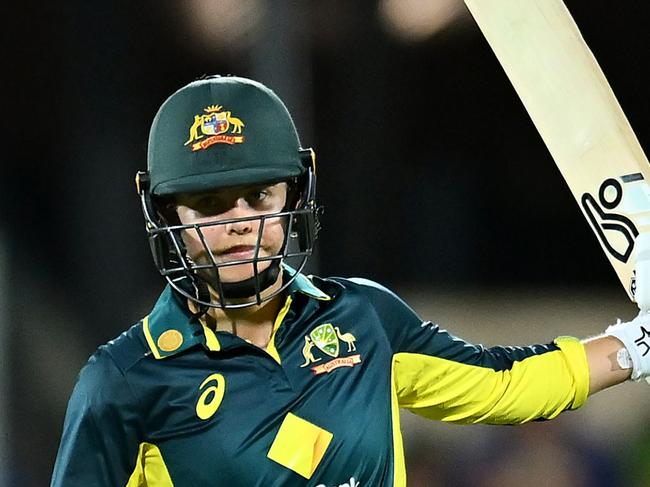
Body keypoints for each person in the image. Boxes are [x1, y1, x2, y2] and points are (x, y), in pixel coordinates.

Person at [51, 75, 649, 487]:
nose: (239, 226)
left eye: (259, 196)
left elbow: (503, 382)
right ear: (167, 216)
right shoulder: (123, 383)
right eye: (208, 205)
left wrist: (636, 347)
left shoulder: (364, 318)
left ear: (295, 192)